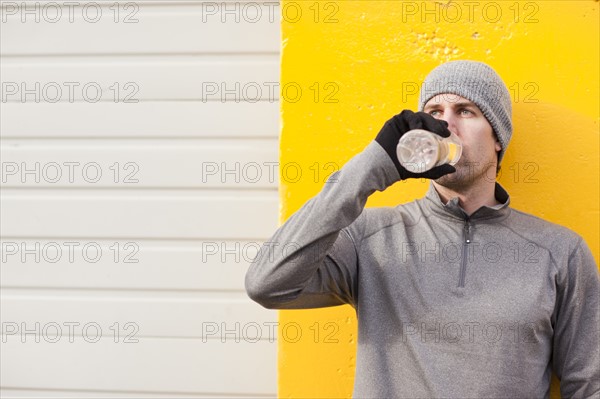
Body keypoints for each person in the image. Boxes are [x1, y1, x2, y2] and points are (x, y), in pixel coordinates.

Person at [245, 60, 600, 398]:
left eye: (465, 111)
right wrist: (372, 166)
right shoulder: (370, 236)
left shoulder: (559, 252)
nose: (447, 126)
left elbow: (589, 386)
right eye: (434, 114)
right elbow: (267, 284)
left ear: (498, 138)